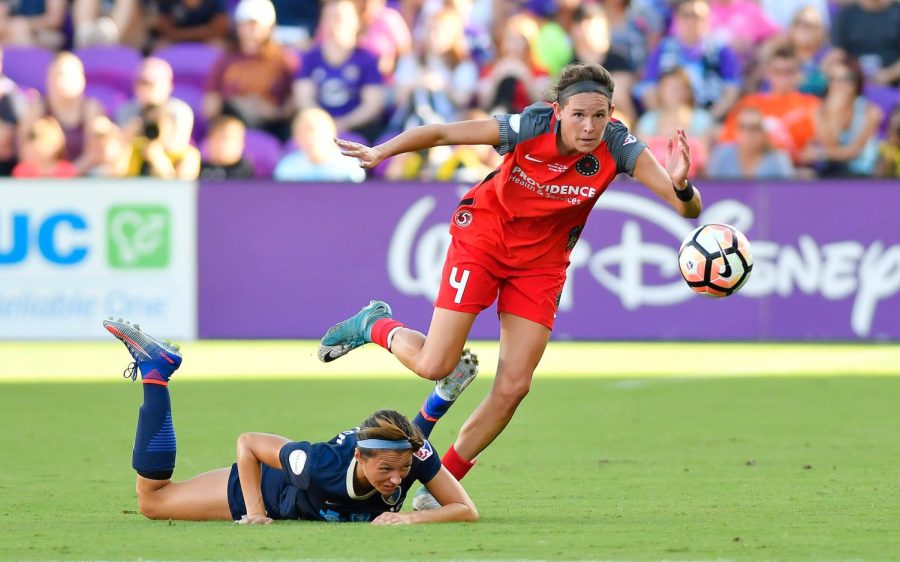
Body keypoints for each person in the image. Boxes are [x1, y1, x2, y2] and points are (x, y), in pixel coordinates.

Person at [316, 63, 702, 509]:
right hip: (484, 238)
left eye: (599, 115)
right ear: (557, 110)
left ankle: (439, 489)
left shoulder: (619, 143)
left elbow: (686, 209)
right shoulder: (529, 125)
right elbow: (442, 134)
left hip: (541, 265)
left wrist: (682, 185)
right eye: (578, 115)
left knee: (515, 386)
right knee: (434, 364)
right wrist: (381, 151)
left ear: (612, 112)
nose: (589, 126)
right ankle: (374, 323)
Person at [102, 318, 479, 524]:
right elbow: (249, 443)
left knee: (411, 471)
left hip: (332, 477)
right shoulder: (321, 464)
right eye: (387, 470)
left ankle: (440, 398)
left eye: (404, 468)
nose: (398, 480)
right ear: (360, 458)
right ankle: (156, 373)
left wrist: (410, 521)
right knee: (153, 501)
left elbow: (465, 510)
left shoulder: (414, 455)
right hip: (269, 491)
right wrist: (254, 513)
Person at [707, 106, 795, 178]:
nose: (748, 133)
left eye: (754, 128)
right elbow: (711, 188)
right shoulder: (721, 154)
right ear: (736, 131)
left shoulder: (778, 159)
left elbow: (787, 193)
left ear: (763, 133)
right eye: (743, 127)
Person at [199, 115, 255, 180]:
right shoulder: (198, 167)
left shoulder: (244, 170)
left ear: (240, 144)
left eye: (225, 138)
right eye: (216, 138)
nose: (220, 144)